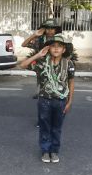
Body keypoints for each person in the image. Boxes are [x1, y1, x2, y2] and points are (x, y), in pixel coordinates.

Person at [17, 34, 75, 163]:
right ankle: (45, 150)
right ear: (49, 48)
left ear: (63, 50)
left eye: (59, 47)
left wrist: (70, 101)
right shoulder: (42, 63)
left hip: (61, 101)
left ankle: (54, 151)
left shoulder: (69, 63)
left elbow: (71, 82)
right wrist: (38, 55)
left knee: (57, 128)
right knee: (45, 127)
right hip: (45, 101)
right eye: (53, 46)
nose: (56, 49)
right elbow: (22, 65)